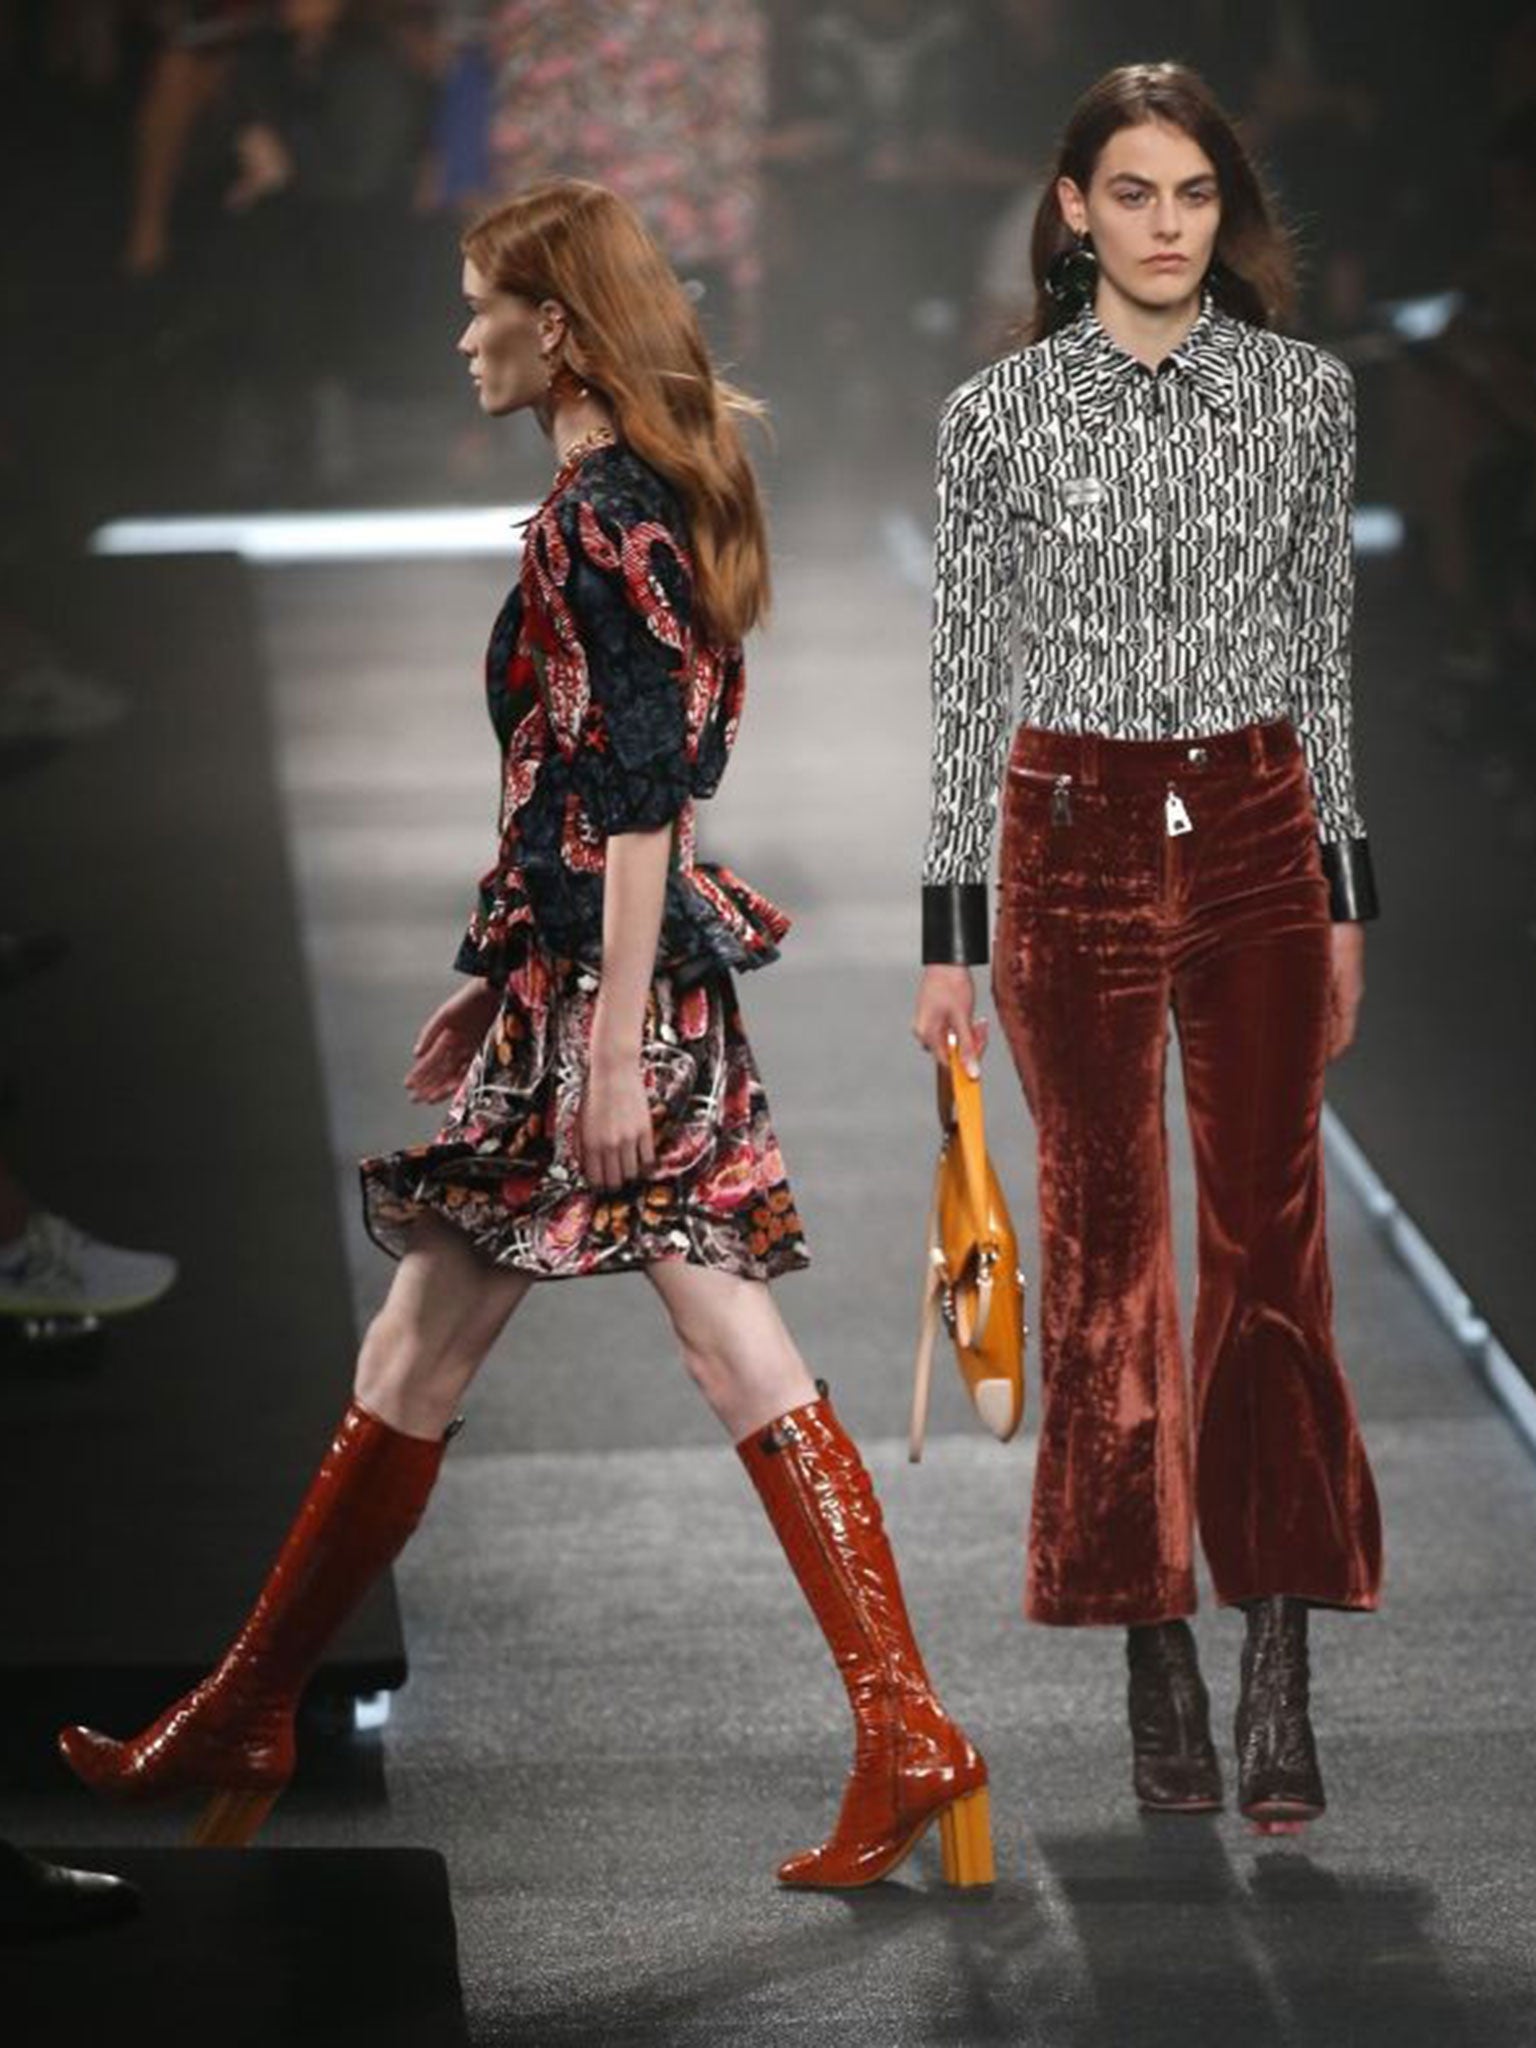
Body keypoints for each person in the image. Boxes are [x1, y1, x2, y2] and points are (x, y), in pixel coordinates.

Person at [58, 177, 992, 1892]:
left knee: (600, 1354)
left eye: (481, 301)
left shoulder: (593, 526)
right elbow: (599, 794)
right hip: (591, 994)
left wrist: (609, 1038)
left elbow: (642, 803)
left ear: (554, 329)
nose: (461, 332)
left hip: (615, 1013)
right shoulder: (646, 503)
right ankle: (258, 1704)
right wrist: (510, 974)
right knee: (509, 1354)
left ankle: (254, 1706)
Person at [913, 62, 1383, 1834]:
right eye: (1133, 192)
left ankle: (1277, 1660)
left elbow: (1326, 655)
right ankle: (1151, 1654)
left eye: (1193, 192)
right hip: (1072, 836)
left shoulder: (1307, 400)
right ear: (1071, 211)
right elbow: (965, 688)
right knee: (1108, 1256)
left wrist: (1349, 894)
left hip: (1257, 823)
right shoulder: (998, 419)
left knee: (1272, 1249)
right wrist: (945, 940)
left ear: (1221, 210)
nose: (1167, 223)